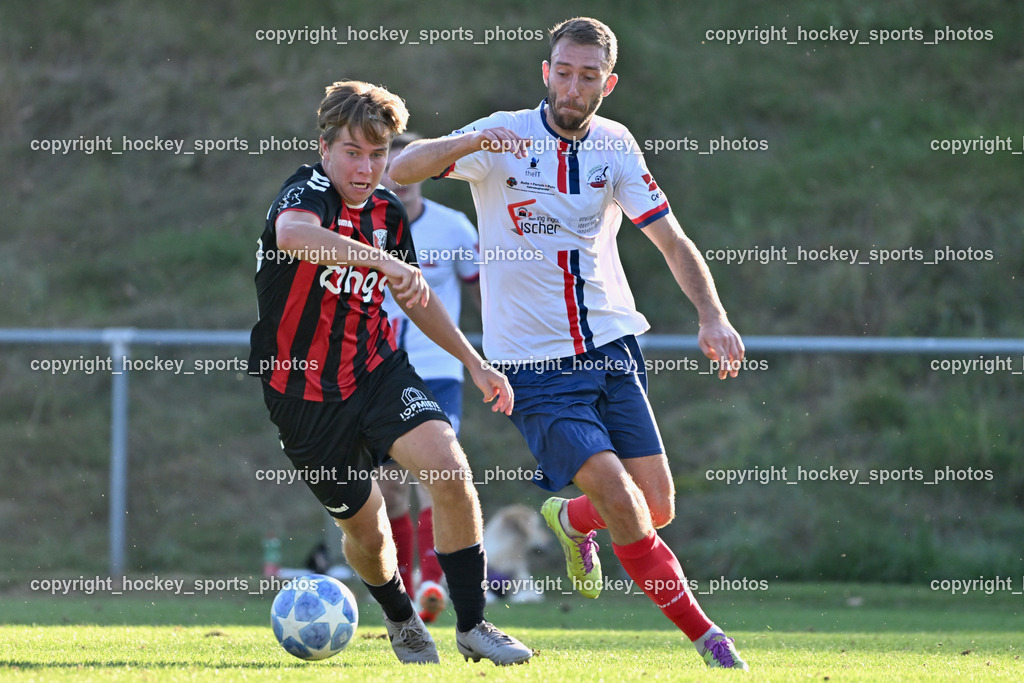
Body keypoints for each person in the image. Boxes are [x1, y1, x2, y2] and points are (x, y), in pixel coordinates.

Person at [388, 17, 749, 670]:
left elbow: (670, 239)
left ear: (607, 84)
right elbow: (399, 166)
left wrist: (712, 313)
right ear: (546, 71)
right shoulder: (502, 137)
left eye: (588, 75)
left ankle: (572, 519)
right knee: (618, 489)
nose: (573, 85)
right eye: (564, 70)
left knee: (655, 505)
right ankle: (708, 637)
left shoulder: (615, 145)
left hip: (612, 347)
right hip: (536, 369)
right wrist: (465, 139)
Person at [248, 80, 531, 666]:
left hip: (377, 371)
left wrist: (474, 363)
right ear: (325, 149)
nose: (367, 168)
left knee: (450, 469)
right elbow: (293, 236)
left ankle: (473, 625)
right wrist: (377, 259)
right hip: (303, 395)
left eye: (378, 155)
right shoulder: (306, 192)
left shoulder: (387, 211)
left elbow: (417, 296)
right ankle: (402, 619)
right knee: (370, 532)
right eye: (353, 152)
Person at [377, 132, 482, 624]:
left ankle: (434, 581)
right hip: (377, 373)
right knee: (388, 487)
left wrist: (496, 355)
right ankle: (405, 589)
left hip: (438, 371)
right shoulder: (361, 227)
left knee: (437, 475)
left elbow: (484, 290)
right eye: (390, 162)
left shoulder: (454, 228)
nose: (400, 174)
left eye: (408, 163)